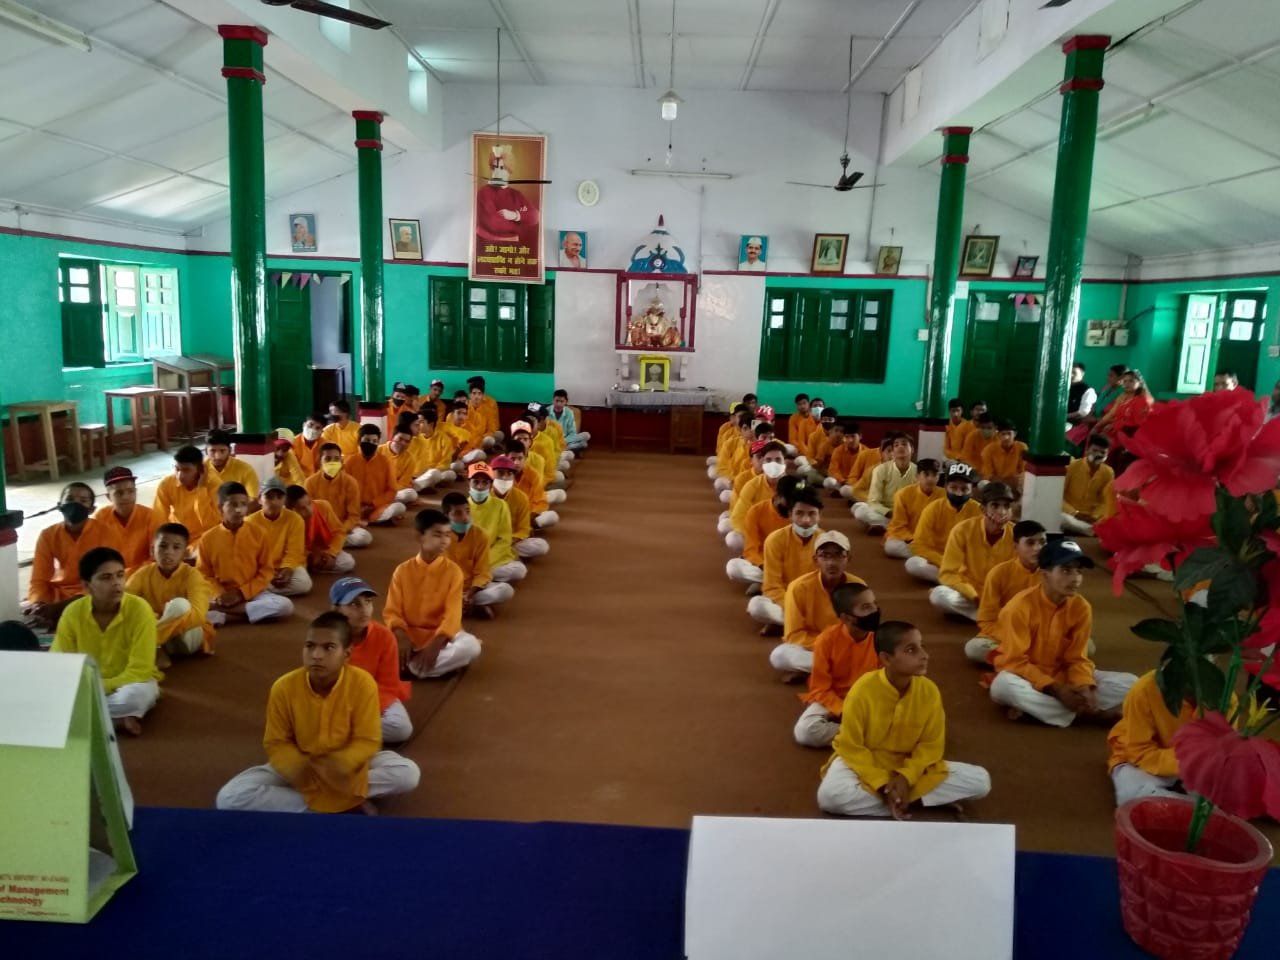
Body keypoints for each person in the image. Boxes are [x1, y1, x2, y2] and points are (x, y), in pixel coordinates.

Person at [215, 612, 420, 814]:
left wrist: (340, 764)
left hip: (349, 769)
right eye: (310, 646)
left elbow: (367, 740)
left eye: (329, 647)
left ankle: (318, 805)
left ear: (347, 654)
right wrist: (298, 767)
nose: (316, 655)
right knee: (230, 797)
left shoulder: (363, 684)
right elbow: (276, 743)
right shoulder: (283, 687)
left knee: (407, 773)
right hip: (302, 766)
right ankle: (342, 802)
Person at [816, 621, 991, 818]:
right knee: (830, 797)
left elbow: (931, 746)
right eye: (911, 650)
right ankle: (908, 800)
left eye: (922, 646)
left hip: (909, 766)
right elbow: (851, 747)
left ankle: (897, 799)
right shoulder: (862, 690)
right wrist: (881, 784)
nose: (924, 655)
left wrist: (906, 777)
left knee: (981, 781)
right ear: (886, 658)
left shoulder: (929, 691)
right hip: (865, 764)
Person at [989, 540, 1137, 727]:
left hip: (1065, 677)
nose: (1075, 579)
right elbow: (1014, 662)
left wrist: (1084, 686)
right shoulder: (1018, 608)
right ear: (1045, 574)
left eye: (1079, 571)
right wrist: (1056, 689)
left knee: (1132, 683)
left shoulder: (1081, 607)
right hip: (1027, 679)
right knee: (1002, 687)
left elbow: (1077, 658)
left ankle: (1046, 710)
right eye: (1066, 570)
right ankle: (1087, 715)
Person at [51, 547, 160, 736]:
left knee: (135, 698)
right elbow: (59, 662)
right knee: (49, 692)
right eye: (106, 578)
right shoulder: (73, 613)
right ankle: (114, 721)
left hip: (129, 684)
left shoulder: (140, 610)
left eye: (120, 575)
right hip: (85, 687)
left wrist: (100, 686)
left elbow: (140, 670)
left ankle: (79, 718)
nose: (116, 583)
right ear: (87, 586)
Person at [384, 509, 482, 679]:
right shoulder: (402, 571)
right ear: (419, 536)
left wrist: (435, 646)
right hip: (408, 636)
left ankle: (412, 669)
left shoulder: (453, 572)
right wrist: (401, 636)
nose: (444, 541)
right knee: (369, 641)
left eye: (447, 535)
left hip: (442, 637)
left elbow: (452, 616)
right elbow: (392, 612)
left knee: (471, 646)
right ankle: (425, 668)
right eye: (437, 535)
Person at [793, 583, 881, 747]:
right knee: (805, 731)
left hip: (870, 700)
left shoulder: (882, 638)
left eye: (874, 604)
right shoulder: (827, 640)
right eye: (866, 607)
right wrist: (844, 710)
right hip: (834, 697)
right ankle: (870, 736)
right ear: (846, 618)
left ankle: (865, 734)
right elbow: (820, 688)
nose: (874, 611)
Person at [198, 482, 295, 627]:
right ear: (220, 507)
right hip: (220, 594)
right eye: (233, 505)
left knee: (285, 606)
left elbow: (266, 571)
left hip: (252, 592)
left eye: (243, 504)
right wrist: (219, 594)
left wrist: (241, 594)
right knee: (190, 607)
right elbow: (204, 574)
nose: (239, 510)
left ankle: (224, 613)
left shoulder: (259, 533)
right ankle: (245, 613)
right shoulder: (207, 538)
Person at [330, 577, 413, 745]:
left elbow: (388, 684)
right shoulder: (326, 637)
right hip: (337, 700)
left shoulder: (384, 636)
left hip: (374, 697)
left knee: (401, 728)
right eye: (354, 604)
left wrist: (363, 708)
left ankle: (337, 732)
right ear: (337, 610)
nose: (364, 610)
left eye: (367, 602)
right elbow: (322, 682)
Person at [27, 482, 121, 630]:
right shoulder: (48, 535)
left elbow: (106, 578)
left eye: (83, 501)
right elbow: (39, 579)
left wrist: (60, 607)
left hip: (94, 593)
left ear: (91, 509)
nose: (75, 505)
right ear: (60, 505)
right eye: (70, 499)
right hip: (60, 594)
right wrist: (39, 603)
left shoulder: (106, 533)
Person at [772, 530, 865, 676]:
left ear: (848, 558)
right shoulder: (798, 587)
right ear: (815, 560)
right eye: (825, 555)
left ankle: (823, 670)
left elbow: (864, 629)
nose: (831, 562)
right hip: (812, 647)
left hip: (847, 648)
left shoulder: (859, 587)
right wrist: (827, 646)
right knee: (780, 656)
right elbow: (793, 635)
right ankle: (839, 670)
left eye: (838, 555)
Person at [1106, 671, 1196, 806]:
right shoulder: (1145, 689)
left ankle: (1197, 808)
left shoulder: (1223, 694)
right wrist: (1183, 764)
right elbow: (1139, 752)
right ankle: (1202, 810)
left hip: (1195, 763)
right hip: (1140, 760)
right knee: (1132, 795)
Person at [930, 482, 1016, 621]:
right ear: (983, 509)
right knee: (938, 595)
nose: (1002, 512)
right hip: (971, 593)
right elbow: (948, 574)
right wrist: (973, 595)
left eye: (1006, 506)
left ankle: (986, 616)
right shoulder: (962, 530)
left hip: (1001, 597)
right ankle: (994, 619)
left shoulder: (1017, 535)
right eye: (995, 506)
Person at [964, 520, 1045, 665]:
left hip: (1042, 637)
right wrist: (1015, 637)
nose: (1038, 548)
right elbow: (987, 620)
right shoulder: (999, 573)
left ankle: (1018, 662)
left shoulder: (1053, 573)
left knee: (1085, 645)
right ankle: (1035, 662)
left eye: (1042, 542)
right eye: (1030, 543)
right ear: (1015, 546)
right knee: (974, 648)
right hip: (1005, 635)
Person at [127, 523, 213, 659]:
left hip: (187, 638)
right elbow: (124, 601)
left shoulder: (192, 575)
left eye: (176, 547)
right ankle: (156, 647)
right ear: (152, 550)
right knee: (133, 607)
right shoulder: (143, 574)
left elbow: (198, 614)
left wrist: (157, 632)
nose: (168, 552)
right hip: (164, 640)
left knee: (180, 605)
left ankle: (151, 644)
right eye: (163, 546)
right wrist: (153, 618)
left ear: (185, 553)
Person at [747, 480, 824, 630]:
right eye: (799, 513)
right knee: (756, 606)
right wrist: (791, 606)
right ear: (790, 515)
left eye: (812, 514)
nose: (806, 520)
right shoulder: (775, 540)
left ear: (820, 515)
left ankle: (787, 623)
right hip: (784, 599)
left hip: (814, 603)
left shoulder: (826, 542)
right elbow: (772, 587)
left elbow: (828, 587)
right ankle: (799, 623)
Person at [442, 491, 515, 617]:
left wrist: (470, 593)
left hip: (472, 588)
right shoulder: (438, 538)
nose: (465, 517)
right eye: (458, 513)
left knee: (505, 590)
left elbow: (482, 571)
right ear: (446, 516)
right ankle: (468, 605)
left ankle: (461, 605)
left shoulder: (480, 535)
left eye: (467, 511)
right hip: (446, 589)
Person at [905, 463, 980, 583]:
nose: (958, 493)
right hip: (938, 559)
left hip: (966, 564)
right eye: (953, 488)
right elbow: (919, 545)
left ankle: (954, 581)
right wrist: (944, 561)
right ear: (945, 487)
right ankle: (957, 582)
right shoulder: (932, 509)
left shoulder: (979, 511)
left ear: (972, 491)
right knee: (913, 564)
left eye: (964, 489)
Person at [727, 475, 797, 587]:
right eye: (789, 501)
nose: (792, 506)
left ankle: (767, 583)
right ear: (777, 496)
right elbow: (750, 550)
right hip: (763, 561)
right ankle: (775, 582)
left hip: (790, 564)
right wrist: (763, 565)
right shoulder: (756, 511)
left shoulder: (800, 513)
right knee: (733, 567)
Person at [247, 477, 311, 597]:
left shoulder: (295, 519)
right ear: (259, 499)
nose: (275, 502)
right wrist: (266, 573)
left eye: (279, 497)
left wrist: (287, 568)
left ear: (284, 500)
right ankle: (259, 589)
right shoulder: (249, 522)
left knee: (304, 584)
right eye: (269, 497)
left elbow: (294, 551)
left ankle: (258, 591)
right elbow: (249, 556)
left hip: (283, 566)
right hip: (259, 569)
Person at [465, 463, 527, 585]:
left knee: (519, 570)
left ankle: (476, 579)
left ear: (490, 485)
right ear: (468, 483)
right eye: (476, 482)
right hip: (467, 561)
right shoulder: (462, 508)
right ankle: (479, 580)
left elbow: (504, 539)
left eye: (485, 483)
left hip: (491, 559)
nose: (480, 487)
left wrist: (484, 562)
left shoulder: (500, 505)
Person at [153, 444, 224, 550]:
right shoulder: (167, 484)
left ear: (200, 470)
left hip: (204, 537)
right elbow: (159, 517)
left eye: (186, 470)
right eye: (177, 469)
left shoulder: (215, 485)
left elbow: (210, 524)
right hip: (177, 535)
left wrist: (201, 489)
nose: (180, 475)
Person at [94, 466, 158, 575]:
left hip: (143, 575)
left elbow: (156, 557)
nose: (126, 497)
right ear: (108, 496)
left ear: (136, 492)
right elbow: (96, 556)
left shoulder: (150, 516)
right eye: (119, 493)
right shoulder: (100, 518)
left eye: (131, 491)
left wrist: (127, 574)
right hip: (110, 576)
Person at [305, 444, 370, 549]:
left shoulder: (350, 482)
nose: (332, 462)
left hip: (343, 525)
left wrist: (342, 530)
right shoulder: (310, 482)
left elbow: (354, 515)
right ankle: (333, 542)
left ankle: (331, 542)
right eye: (327, 459)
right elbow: (308, 513)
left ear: (341, 461)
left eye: (336, 459)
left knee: (364, 537)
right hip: (320, 526)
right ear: (319, 461)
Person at [284, 485, 357, 577]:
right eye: (302, 508)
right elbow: (289, 550)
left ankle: (314, 568)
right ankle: (311, 567)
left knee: (348, 562)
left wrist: (331, 553)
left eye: (309, 503)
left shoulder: (323, 506)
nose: (309, 510)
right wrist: (310, 556)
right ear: (291, 511)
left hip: (324, 549)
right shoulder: (286, 519)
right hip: (302, 555)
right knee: (297, 574)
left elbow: (339, 532)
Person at [727, 441, 787, 551]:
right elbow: (739, 517)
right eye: (768, 460)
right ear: (763, 462)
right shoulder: (752, 485)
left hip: (784, 538)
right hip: (757, 535)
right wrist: (752, 537)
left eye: (778, 460)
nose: (773, 464)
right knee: (733, 538)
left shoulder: (795, 486)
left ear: (785, 462)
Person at [475, 144, 539, 247]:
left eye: (501, 168)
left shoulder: (517, 194)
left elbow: (536, 216)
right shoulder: (484, 192)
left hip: (513, 246)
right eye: (494, 168)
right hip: (488, 245)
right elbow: (494, 224)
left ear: (509, 171)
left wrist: (514, 215)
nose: (497, 172)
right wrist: (521, 221)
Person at [346, 423, 407, 526]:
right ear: (359, 441)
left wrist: (373, 504)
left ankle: (366, 520)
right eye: (367, 440)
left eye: (374, 441)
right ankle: (370, 520)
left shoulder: (385, 462)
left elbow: (392, 490)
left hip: (377, 507)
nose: (370, 444)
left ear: (378, 443)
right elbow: (344, 488)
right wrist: (357, 506)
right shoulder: (350, 461)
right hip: (355, 507)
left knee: (400, 507)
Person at [854, 432, 916, 530]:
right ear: (893, 452)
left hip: (908, 514)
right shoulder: (880, 470)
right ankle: (895, 526)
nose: (900, 447)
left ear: (912, 449)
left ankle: (886, 526)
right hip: (886, 512)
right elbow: (874, 501)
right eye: (896, 445)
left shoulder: (919, 472)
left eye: (904, 444)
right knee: (860, 510)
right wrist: (888, 512)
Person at [884, 459, 943, 559]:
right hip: (910, 539)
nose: (930, 479)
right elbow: (898, 526)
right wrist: (915, 539)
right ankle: (930, 556)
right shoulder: (903, 494)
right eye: (926, 474)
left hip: (935, 542)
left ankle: (927, 556)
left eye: (934, 475)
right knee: (892, 547)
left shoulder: (946, 496)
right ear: (917, 476)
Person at [491, 454, 547, 559]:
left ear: (513, 477)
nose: (505, 477)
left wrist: (510, 540)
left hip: (511, 540)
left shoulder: (521, 497)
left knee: (541, 546)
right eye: (500, 473)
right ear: (491, 474)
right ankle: (504, 556)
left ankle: (503, 555)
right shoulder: (484, 496)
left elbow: (524, 529)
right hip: (489, 542)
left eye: (509, 474)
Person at [1061, 435, 1116, 535]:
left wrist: (1094, 516)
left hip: (1092, 517)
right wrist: (1076, 513)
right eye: (1094, 450)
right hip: (1070, 514)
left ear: (1107, 454)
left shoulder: (1108, 472)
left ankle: (1092, 530)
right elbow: (1058, 496)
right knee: (1062, 518)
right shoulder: (1073, 466)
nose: (1098, 455)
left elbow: (1105, 501)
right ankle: (1093, 531)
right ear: (1087, 450)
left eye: (1102, 452)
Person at [1095, 369, 1154, 452]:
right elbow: (1114, 413)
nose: (1127, 384)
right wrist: (1100, 425)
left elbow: (1138, 425)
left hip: (1129, 436)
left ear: (1139, 383)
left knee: (1102, 446)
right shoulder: (1123, 397)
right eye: (1125, 381)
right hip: (1118, 432)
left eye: (1131, 381)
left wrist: (1115, 425)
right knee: (1095, 439)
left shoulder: (1143, 400)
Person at [508, 443, 559, 529]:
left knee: (552, 516)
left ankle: (527, 526)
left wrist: (529, 516)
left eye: (520, 458)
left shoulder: (533, 474)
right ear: (505, 459)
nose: (516, 463)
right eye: (512, 459)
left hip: (529, 514)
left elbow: (541, 502)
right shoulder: (500, 475)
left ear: (525, 458)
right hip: (506, 516)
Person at [206, 429, 259, 498]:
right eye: (212, 451)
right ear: (206, 451)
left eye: (222, 451)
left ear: (230, 450)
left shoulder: (246, 470)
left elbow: (252, 499)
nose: (218, 456)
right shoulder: (200, 470)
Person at [980, 420, 1027, 495]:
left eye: (1009, 433)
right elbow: (988, 475)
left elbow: (1023, 471)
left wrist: (1016, 482)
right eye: (1003, 434)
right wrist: (1006, 483)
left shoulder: (1022, 447)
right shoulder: (989, 450)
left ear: (1015, 434)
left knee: (1025, 480)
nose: (1006, 437)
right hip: (997, 484)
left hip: (1016, 484)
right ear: (998, 435)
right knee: (983, 483)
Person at [467, 376, 502, 447]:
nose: (476, 396)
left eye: (479, 393)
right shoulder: (465, 407)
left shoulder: (490, 405)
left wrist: (480, 438)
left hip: (484, 437)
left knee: (497, 435)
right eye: (474, 393)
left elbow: (493, 427)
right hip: (467, 439)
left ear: (482, 394)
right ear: (470, 394)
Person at [551, 389, 589, 453]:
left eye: (561, 401)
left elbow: (572, 433)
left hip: (565, 439)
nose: (559, 404)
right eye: (556, 401)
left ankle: (560, 448)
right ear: (553, 400)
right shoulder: (546, 411)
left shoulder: (569, 412)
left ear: (566, 402)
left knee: (586, 435)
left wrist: (563, 441)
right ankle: (562, 448)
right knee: (583, 444)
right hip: (551, 440)